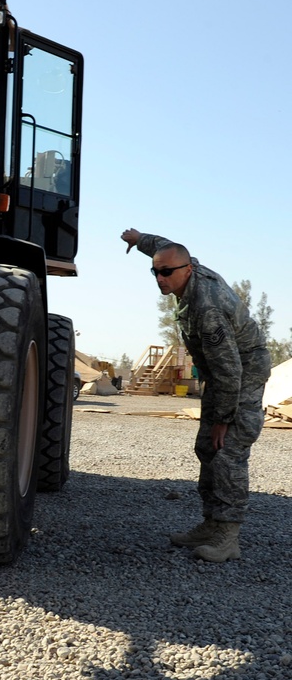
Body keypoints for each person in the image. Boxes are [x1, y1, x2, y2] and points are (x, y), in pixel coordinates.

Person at [121, 229, 271, 562]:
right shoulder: (181, 265)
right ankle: (210, 523)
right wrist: (138, 238)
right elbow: (162, 247)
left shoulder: (208, 310)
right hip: (223, 374)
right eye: (155, 272)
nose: (160, 278)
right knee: (206, 446)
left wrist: (223, 420)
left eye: (166, 273)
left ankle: (227, 536)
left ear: (188, 270)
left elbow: (230, 371)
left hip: (243, 371)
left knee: (227, 448)